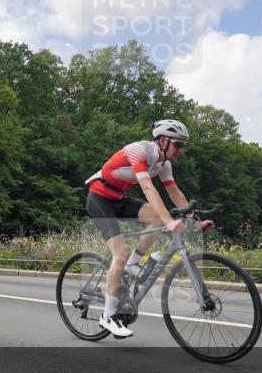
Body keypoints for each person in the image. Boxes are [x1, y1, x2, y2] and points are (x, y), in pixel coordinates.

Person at [84, 119, 215, 339]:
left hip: (119, 198)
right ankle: (107, 316)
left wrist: (196, 223)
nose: (180, 150)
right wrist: (169, 220)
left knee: (156, 219)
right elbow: (147, 188)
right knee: (120, 254)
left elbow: (175, 194)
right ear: (163, 140)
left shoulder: (164, 165)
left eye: (183, 145)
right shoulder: (139, 150)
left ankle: (134, 263)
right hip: (99, 198)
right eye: (178, 145)